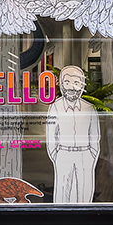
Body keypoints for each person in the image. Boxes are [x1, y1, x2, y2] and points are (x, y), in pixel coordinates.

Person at [45, 65, 100, 203]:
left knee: (84, 191)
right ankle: (61, 221)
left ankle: (84, 220)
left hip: (85, 154)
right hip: (63, 153)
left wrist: (92, 154)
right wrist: (56, 155)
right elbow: (51, 135)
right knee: (62, 191)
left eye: (76, 83)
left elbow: (95, 136)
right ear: (61, 84)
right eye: (67, 82)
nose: (71, 87)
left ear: (82, 85)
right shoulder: (55, 107)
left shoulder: (90, 108)